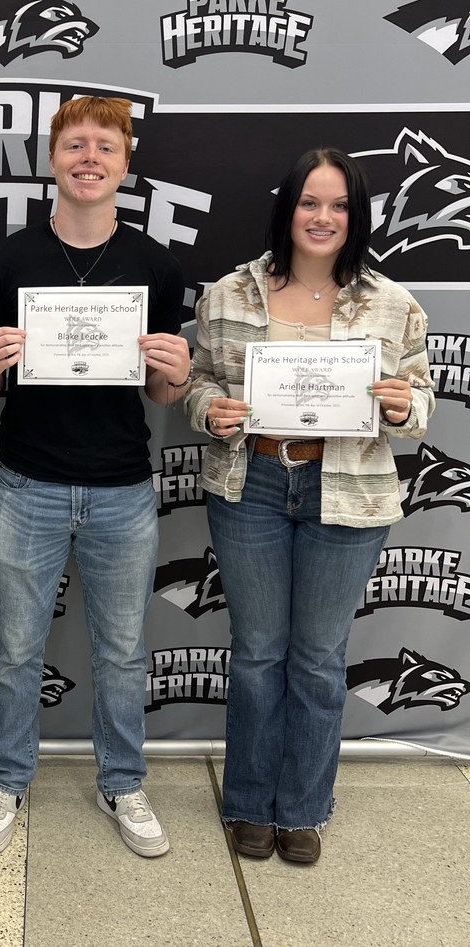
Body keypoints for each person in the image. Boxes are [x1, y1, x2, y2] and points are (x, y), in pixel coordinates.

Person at [186, 147, 434, 864]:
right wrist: (213, 413)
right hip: (253, 484)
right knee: (259, 654)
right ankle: (248, 803)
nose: (322, 218)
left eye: (338, 206)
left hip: (348, 490)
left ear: (356, 217)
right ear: (287, 209)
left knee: (320, 659)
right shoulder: (230, 293)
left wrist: (401, 403)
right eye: (309, 203)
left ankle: (302, 808)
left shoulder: (393, 303)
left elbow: (422, 406)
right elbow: (198, 385)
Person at [0, 96, 190, 857]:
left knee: (123, 651)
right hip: (28, 482)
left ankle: (123, 780)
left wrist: (177, 374)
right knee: (16, 647)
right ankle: (5, 775)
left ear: (126, 163)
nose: (89, 157)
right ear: (53, 159)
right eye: (75, 145)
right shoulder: (5, 262)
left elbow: (160, 395)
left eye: (105, 145)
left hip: (124, 487)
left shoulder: (157, 267)